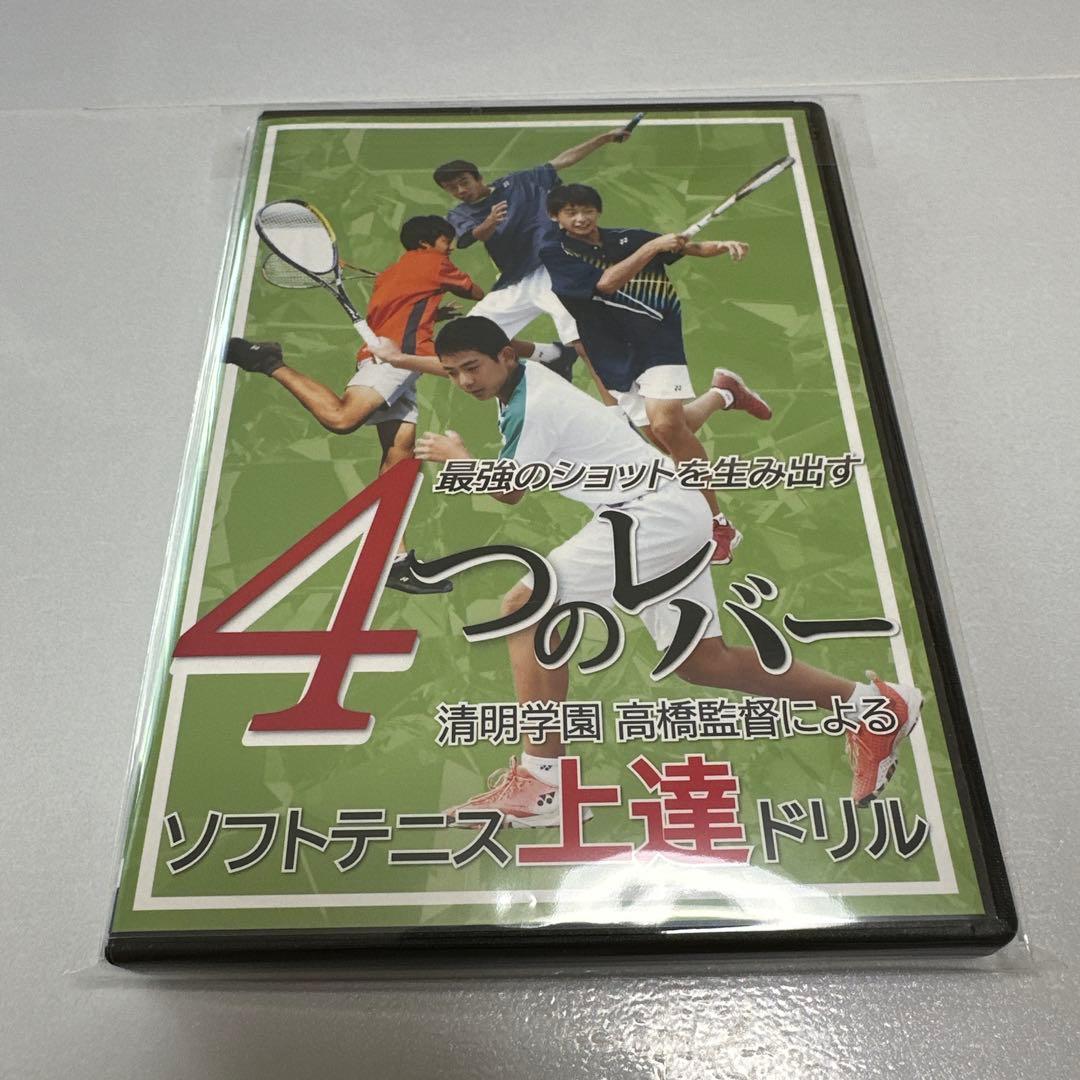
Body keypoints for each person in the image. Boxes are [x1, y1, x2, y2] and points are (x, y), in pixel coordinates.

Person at [415, 316, 921, 827]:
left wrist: (458, 458)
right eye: (452, 373)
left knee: (525, 605)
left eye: (471, 368)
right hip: (672, 508)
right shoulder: (522, 375)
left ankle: (541, 781)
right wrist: (401, 359)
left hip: (649, 515)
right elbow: (515, 363)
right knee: (703, 662)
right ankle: (874, 707)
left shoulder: (534, 404)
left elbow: (508, 491)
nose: (464, 382)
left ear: (505, 356)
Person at [225, 214, 483, 595]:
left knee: (399, 463)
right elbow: (476, 293)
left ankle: (394, 561)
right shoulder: (433, 263)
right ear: (427, 243)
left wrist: (433, 311)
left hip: (398, 364)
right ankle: (267, 362)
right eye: (447, 241)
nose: (452, 247)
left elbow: (393, 314)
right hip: (395, 361)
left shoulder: (391, 275)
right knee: (342, 418)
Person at [540, 182, 771, 564]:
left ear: (598, 211)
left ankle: (717, 524)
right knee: (670, 436)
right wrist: (653, 247)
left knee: (666, 427)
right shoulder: (555, 251)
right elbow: (606, 284)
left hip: (656, 341)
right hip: (611, 353)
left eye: (587, 210)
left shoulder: (629, 237)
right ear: (556, 218)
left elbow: (692, 248)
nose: (580, 218)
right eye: (570, 212)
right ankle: (724, 392)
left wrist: (721, 245)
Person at [433, 126, 636, 389]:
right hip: (515, 281)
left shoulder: (521, 182)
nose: (460, 190)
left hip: (553, 269)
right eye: (452, 188)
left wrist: (605, 138)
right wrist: (490, 221)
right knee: (471, 338)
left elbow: (563, 160)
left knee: (584, 343)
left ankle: (619, 405)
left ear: (478, 178)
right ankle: (552, 355)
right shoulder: (459, 214)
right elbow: (474, 236)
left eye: (464, 182)